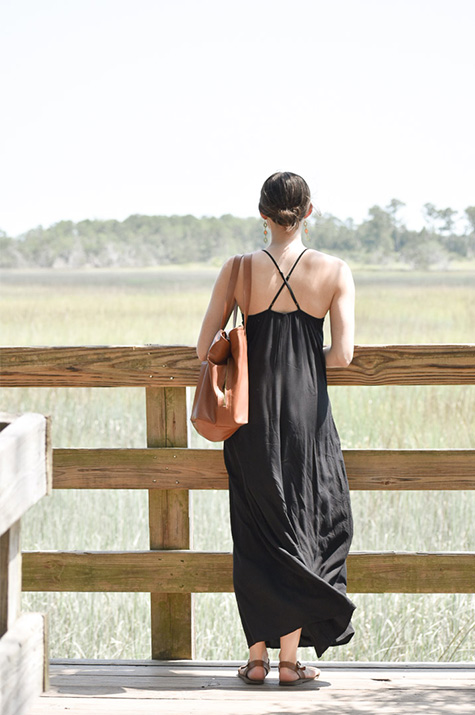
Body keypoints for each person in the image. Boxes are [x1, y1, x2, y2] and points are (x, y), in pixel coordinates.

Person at [196, 171, 356, 685]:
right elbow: (345, 356)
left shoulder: (239, 270)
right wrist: (304, 360)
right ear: (309, 212)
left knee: (256, 532)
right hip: (307, 420)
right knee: (307, 523)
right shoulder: (334, 271)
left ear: (262, 214)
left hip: (251, 422)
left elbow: (204, 350)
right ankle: (290, 664)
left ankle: (257, 659)